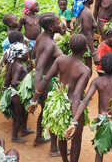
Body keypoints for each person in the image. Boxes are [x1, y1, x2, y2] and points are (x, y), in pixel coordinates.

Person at [33, 34, 91, 162]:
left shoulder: (60, 60)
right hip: (74, 107)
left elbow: (46, 78)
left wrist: (34, 99)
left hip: (59, 103)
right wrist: (74, 121)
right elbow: (76, 95)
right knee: (76, 139)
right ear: (85, 49)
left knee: (61, 136)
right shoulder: (85, 70)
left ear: (70, 47)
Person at [65, 53, 112, 162]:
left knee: (99, 151)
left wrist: (74, 122)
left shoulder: (97, 81)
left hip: (102, 119)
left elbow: (85, 101)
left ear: (102, 68)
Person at [27, 12, 66, 156]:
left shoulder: (41, 37)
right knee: (53, 114)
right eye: (57, 22)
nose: (61, 24)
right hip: (46, 82)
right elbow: (39, 68)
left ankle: (39, 137)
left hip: (43, 80)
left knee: (45, 111)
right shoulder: (49, 44)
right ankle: (54, 149)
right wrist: (37, 93)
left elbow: (32, 57)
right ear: (51, 27)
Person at [2, 31, 33, 144]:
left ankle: (24, 129)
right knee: (19, 116)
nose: (27, 55)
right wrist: (25, 82)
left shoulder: (12, 63)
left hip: (13, 93)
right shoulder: (19, 66)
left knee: (23, 113)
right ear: (20, 54)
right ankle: (15, 136)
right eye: (26, 53)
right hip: (17, 94)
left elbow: (7, 80)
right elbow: (15, 81)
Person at [73, 0, 100, 71]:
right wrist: (94, 53)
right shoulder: (86, 13)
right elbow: (87, 33)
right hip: (85, 46)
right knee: (87, 72)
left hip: (79, 44)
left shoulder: (79, 10)